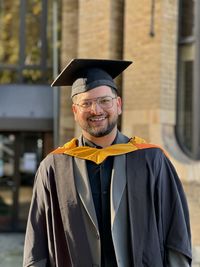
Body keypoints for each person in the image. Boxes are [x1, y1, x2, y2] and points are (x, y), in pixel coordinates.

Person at [23, 58, 192, 267]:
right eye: (86, 103)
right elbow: (36, 245)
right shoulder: (54, 167)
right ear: (75, 112)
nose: (96, 110)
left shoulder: (151, 160)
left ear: (118, 105)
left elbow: (176, 235)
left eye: (105, 101)